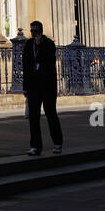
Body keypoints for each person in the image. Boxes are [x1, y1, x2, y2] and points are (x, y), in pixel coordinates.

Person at [22, 20, 63, 156]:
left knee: (51, 114)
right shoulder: (28, 45)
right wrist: (25, 87)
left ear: (41, 31)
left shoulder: (48, 44)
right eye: (32, 31)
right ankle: (35, 146)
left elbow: (49, 63)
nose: (33, 34)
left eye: (36, 31)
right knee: (34, 117)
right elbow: (26, 67)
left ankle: (57, 143)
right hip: (33, 86)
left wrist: (39, 47)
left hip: (47, 85)